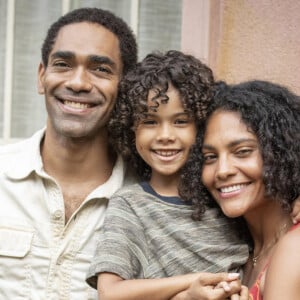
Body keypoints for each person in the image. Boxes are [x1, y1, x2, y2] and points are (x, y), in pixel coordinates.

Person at [86, 50, 250, 300]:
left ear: (201, 126)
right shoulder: (130, 205)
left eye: (181, 121)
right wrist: (193, 284)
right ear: (131, 128)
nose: (165, 135)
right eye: (150, 122)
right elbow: (110, 293)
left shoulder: (227, 194)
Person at [0, 7, 137, 299]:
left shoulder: (146, 199)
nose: (77, 83)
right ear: (41, 75)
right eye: (63, 64)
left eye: (101, 69)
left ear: (125, 86)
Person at [195, 80, 300, 299]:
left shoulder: (294, 248)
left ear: (280, 152)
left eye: (242, 151)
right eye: (210, 157)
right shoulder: (242, 252)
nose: (222, 171)